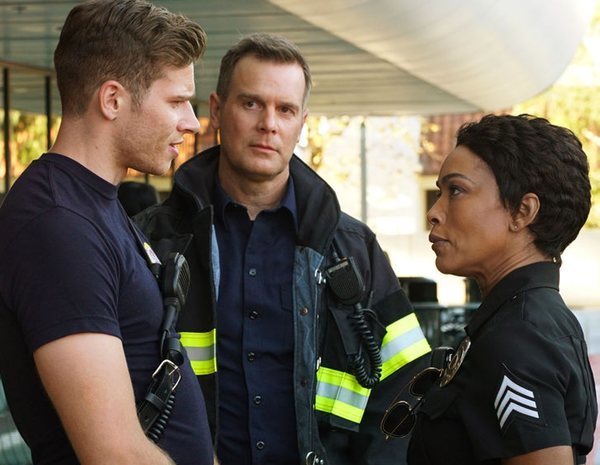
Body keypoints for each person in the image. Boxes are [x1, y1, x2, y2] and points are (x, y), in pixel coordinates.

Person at [135, 32, 431, 465]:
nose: (269, 124)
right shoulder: (152, 242)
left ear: (302, 122)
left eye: (285, 109)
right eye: (251, 103)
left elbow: (405, 389)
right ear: (216, 110)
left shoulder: (352, 249)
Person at [0, 1, 213, 464]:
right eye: (176, 101)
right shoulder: (57, 224)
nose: (192, 122)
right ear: (112, 99)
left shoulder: (92, 204)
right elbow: (114, 454)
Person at [388, 114, 597, 464]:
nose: (434, 212)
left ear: (522, 212)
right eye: (439, 192)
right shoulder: (521, 320)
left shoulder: (519, 335)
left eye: (456, 191)